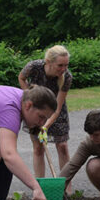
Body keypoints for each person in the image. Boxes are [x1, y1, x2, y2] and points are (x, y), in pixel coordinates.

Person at [18, 45, 72, 181]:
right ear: (48, 62)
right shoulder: (34, 67)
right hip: (36, 110)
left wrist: (45, 126)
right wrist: (29, 95)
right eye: (60, 65)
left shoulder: (67, 77)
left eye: (66, 65)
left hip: (56, 113)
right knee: (38, 147)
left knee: (63, 146)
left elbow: (57, 109)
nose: (64, 69)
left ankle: (66, 185)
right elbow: (21, 77)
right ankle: (40, 184)